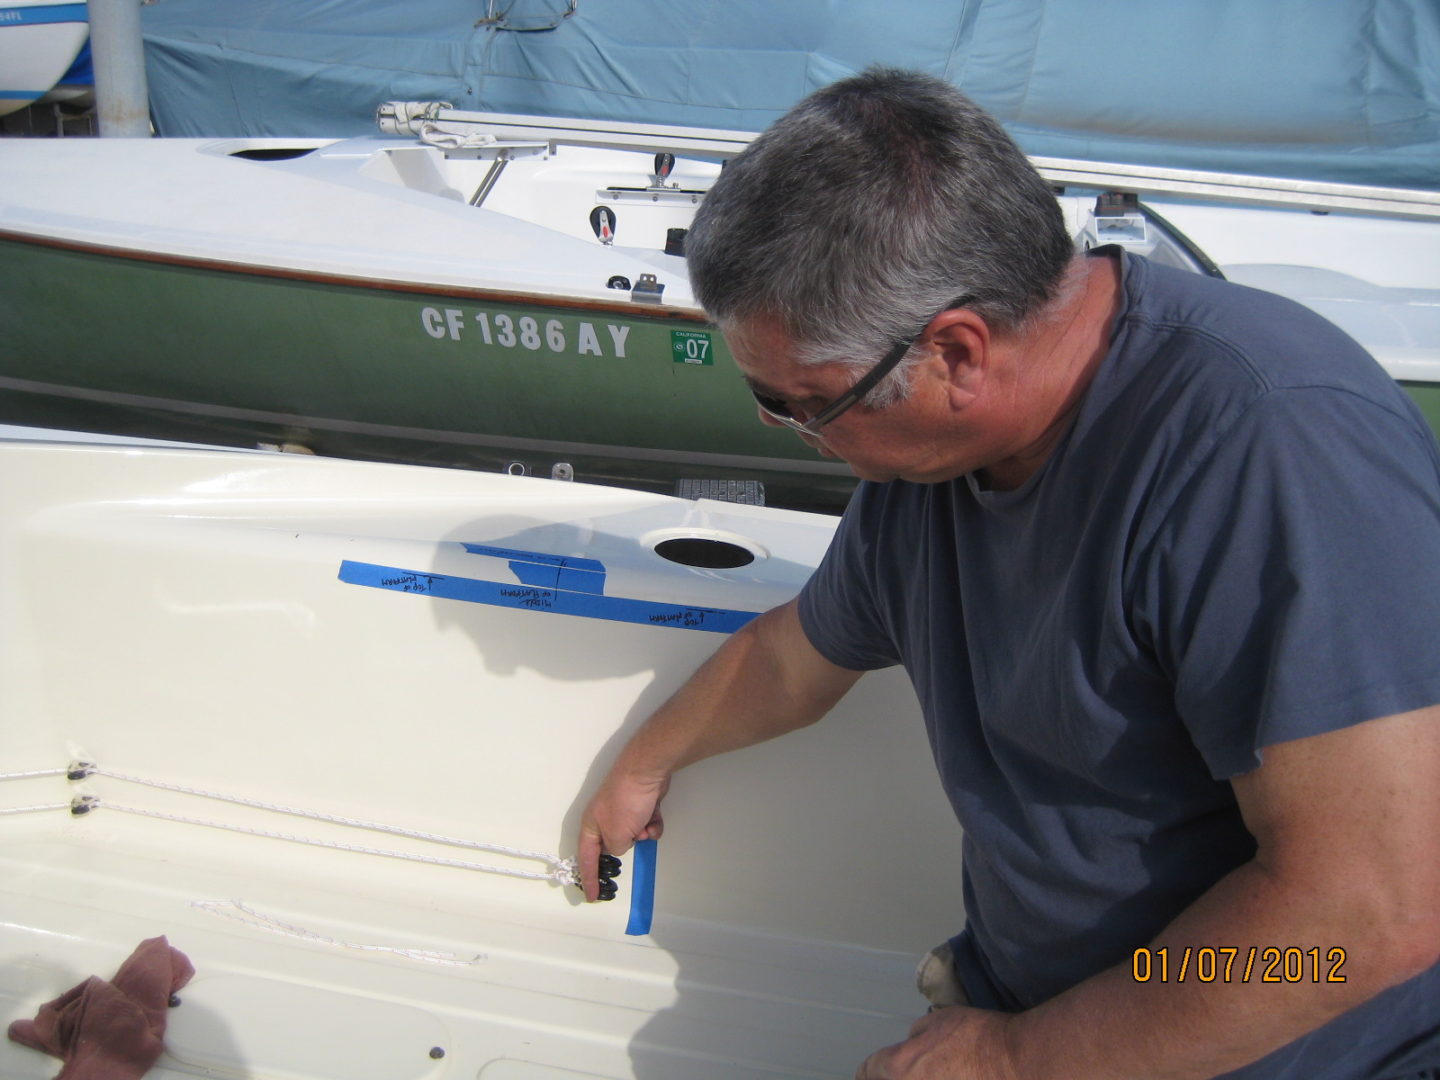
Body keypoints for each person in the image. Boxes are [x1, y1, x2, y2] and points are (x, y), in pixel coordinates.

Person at [577, 67, 1440, 1080]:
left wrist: (1016, 1061)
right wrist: (642, 764)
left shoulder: (1267, 446)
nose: (787, 432)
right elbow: (797, 659)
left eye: (797, 404)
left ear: (955, 351)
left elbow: (1367, 914)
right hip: (1031, 1008)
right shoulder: (932, 461)